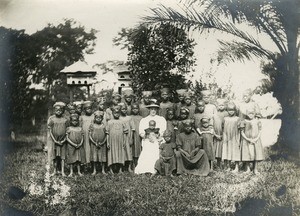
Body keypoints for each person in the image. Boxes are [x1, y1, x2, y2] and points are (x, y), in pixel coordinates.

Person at [135, 99, 167, 174]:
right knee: (147, 149)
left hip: (158, 140)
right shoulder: (144, 120)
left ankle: (156, 169)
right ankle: (145, 168)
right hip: (147, 140)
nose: (153, 111)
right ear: (149, 109)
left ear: (157, 110)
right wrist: (148, 137)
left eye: (155, 109)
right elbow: (141, 132)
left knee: (156, 149)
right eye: (152, 109)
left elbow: (163, 131)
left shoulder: (161, 119)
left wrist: (157, 138)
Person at [239, 109, 264, 174]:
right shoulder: (244, 121)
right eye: (249, 114)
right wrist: (248, 139)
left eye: (252, 114)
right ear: (247, 114)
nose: (251, 115)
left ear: (254, 114)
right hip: (246, 140)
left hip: (256, 140)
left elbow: (260, 131)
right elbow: (242, 132)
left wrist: (256, 139)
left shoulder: (257, 121)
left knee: (256, 154)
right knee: (246, 154)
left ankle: (255, 169)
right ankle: (247, 169)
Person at [47, 102, 69, 176]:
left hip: (63, 141)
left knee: (62, 157)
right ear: (54, 111)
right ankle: (54, 171)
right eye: (57, 110)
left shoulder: (65, 119)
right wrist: (55, 140)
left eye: (60, 110)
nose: (58, 111)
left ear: (62, 111)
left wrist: (64, 140)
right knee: (54, 156)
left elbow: (67, 131)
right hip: (54, 141)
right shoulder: (52, 119)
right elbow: (50, 131)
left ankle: (62, 171)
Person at [106, 106, 128, 174]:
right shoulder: (109, 122)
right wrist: (107, 142)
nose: (116, 114)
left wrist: (124, 141)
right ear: (112, 113)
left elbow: (125, 133)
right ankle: (111, 169)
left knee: (120, 154)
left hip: (120, 140)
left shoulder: (122, 122)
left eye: (118, 113)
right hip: (112, 141)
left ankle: (120, 169)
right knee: (111, 154)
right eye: (115, 113)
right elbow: (107, 133)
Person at [221, 102, 241, 173]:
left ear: (235, 110)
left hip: (235, 137)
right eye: (229, 110)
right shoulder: (225, 118)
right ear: (227, 110)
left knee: (236, 151)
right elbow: (223, 128)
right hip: (227, 137)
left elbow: (239, 130)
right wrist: (224, 136)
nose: (231, 111)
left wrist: (238, 138)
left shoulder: (237, 119)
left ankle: (236, 167)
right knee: (227, 150)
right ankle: (228, 166)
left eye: (232, 110)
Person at [89, 111, 107, 175]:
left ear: (102, 119)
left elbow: (106, 135)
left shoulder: (104, 126)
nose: (98, 119)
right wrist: (94, 142)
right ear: (94, 118)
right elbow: (90, 135)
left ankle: (103, 169)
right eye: (97, 118)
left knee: (103, 156)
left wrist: (103, 142)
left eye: (100, 118)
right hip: (94, 144)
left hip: (102, 144)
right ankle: (94, 170)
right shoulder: (92, 125)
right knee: (94, 157)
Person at [119, 103, 135, 172]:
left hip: (128, 137)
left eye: (125, 109)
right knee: (121, 152)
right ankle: (121, 168)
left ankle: (129, 167)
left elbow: (133, 128)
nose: (124, 110)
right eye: (122, 109)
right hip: (120, 137)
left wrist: (131, 138)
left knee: (129, 152)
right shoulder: (118, 118)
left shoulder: (129, 118)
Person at [213, 99, 228, 169]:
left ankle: (225, 165)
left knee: (225, 149)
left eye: (222, 105)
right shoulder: (215, 114)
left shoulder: (227, 114)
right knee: (218, 150)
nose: (221, 107)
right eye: (219, 105)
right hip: (217, 134)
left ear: (225, 106)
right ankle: (218, 164)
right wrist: (216, 135)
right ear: (217, 106)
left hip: (225, 134)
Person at [130, 103, 143, 169]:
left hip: (139, 135)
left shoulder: (141, 118)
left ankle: (139, 163)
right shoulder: (130, 117)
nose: (135, 110)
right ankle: (132, 164)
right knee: (132, 148)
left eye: (136, 108)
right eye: (133, 109)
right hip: (132, 135)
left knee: (139, 148)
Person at [81, 101, 94, 166]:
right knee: (86, 147)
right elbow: (80, 126)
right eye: (87, 109)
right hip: (85, 135)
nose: (89, 110)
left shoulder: (93, 116)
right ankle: (86, 162)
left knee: (92, 147)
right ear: (84, 110)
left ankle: (92, 163)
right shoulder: (82, 117)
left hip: (92, 134)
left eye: (90, 108)